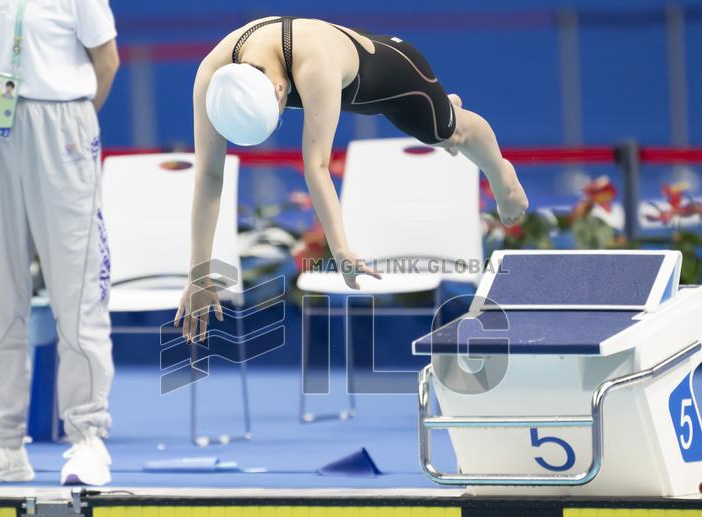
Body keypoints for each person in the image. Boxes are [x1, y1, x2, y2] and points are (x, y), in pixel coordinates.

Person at [175, 16, 529, 342]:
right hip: (337, 87)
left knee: (448, 133)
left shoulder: (313, 63)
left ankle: (503, 175)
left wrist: (340, 248)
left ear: (280, 93)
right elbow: (208, 174)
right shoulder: (212, 76)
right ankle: (439, 112)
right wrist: (198, 275)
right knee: (430, 126)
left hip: (391, 78)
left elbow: (317, 166)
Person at [0, 0, 120, 486]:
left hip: (63, 129)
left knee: (76, 290)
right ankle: (2, 444)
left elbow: (107, 61)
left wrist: (70, 120)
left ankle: (86, 438)